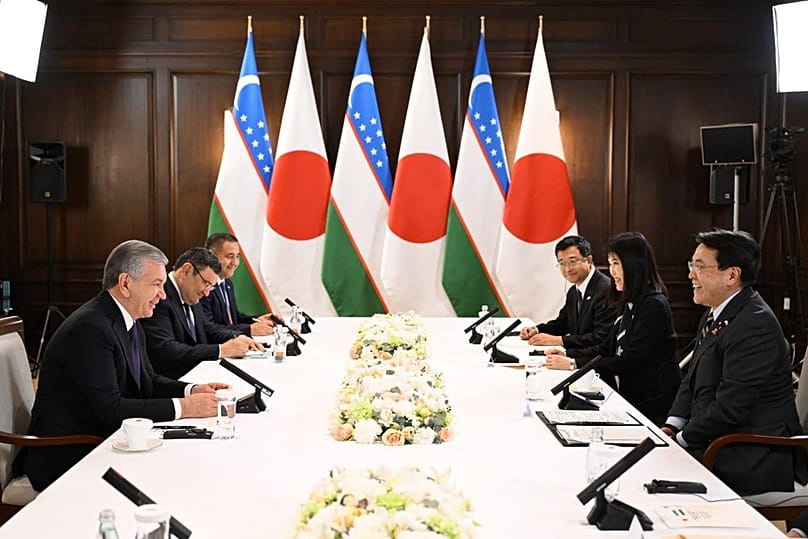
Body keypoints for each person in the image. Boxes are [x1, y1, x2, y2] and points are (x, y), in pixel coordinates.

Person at [13, 240, 228, 491]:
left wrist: (191, 390)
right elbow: (110, 409)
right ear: (126, 283)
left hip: (105, 439)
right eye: (156, 285)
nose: (163, 294)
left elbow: (148, 382)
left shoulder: (129, 320)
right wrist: (183, 408)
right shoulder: (90, 328)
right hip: (68, 453)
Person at [662, 229, 807, 495]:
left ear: (731, 275)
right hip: (713, 439)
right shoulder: (715, 313)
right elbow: (690, 381)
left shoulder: (755, 323)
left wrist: (681, 440)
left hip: (749, 453)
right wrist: (672, 425)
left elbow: (730, 408)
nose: (690, 274)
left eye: (699, 266)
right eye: (691, 265)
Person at [545, 232, 681, 425]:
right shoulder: (629, 301)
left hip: (651, 404)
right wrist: (568, 354)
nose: (612, 271)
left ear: (634, 264)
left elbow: (628, 362)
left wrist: (573, 363)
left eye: (616, 263)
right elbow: (606, 347)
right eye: (610, 264)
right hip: (630, 397)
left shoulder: (653, 305)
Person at [141, 247, 264, 379]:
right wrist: (220, 350)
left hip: (199, 374)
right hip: (173, 381)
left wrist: (237, 337)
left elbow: (208, 329)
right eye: (206, 284)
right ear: (186, 271)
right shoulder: (159, 297)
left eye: (210, 287)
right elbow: (166, 349)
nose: (206, 293)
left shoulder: (191, 293)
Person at [519, 235, 618, 369]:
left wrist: (560, 340)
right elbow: (562, 323)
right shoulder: (574, 291)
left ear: (588, 260)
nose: (567, 269)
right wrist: (537, 330)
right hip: (575, 362)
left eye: (572, 261)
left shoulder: (606, 290)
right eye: (562, 263)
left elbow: (600, 338)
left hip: (594, 369)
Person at [200, 232, 274, 337]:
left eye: (237, 256)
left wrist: (257, 320)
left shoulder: (227, 283)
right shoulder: (203, 287)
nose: (235, 262)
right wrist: (248, 330)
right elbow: (209, 328)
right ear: (211, 256)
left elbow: (234, 319)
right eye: (230, 256)